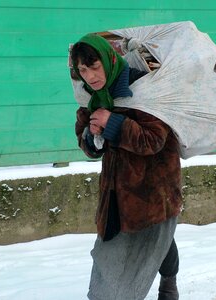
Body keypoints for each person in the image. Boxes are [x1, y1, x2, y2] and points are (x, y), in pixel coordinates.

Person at [71, 33, 183, 300]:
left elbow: (153, 140)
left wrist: (113, 123)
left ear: (108, 61)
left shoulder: (145, 88)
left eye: (94, 66)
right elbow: (88, 147)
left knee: (159, 238)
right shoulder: (93, 98)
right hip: (116, 192)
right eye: (83, 70)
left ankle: (169, 281)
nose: (90, 76)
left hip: (155, 188)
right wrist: (92, 135)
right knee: (115, 250)